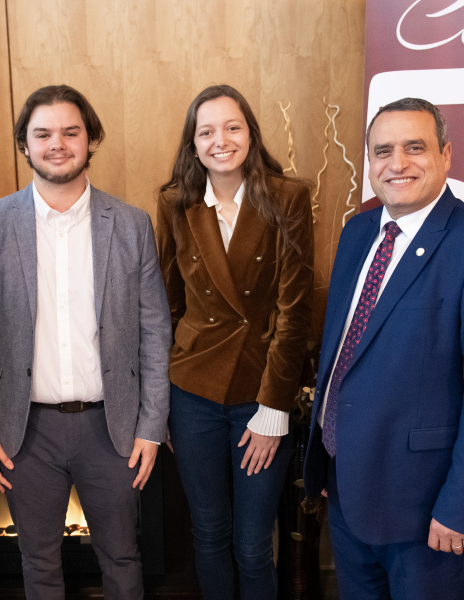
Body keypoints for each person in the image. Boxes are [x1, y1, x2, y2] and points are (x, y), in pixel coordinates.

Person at [302, 97, 464, 599]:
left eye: (415, 147)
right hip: (346, 490)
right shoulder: (358, 232)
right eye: (383, 151)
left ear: (446, 155)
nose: (397, 163)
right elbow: (343, 352)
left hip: (426, 508)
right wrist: (326, 457)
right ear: (369, 164)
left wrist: (462, 504)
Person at [0, 84, 171, 600]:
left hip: (113, 428)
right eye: (43, 133)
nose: (58, 143)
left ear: (91, 140)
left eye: (70, 132)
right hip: (25, 432)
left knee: (122, 556)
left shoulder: (130, 224)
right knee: (39, 562)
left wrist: (151, 426)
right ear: (25, 145)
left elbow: (154, 331)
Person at [155, 84, 314, 600]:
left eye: (232, 127)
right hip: (193, 391)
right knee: (209, 533)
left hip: (259, 393)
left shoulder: (286, 197)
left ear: (250, 133)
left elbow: (294, 313)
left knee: (251, 544)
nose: (220, 140)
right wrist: (162, 404)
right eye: (206, 131)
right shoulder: (176, 202)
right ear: (193, 143)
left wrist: (274, 409)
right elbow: (167, 307)